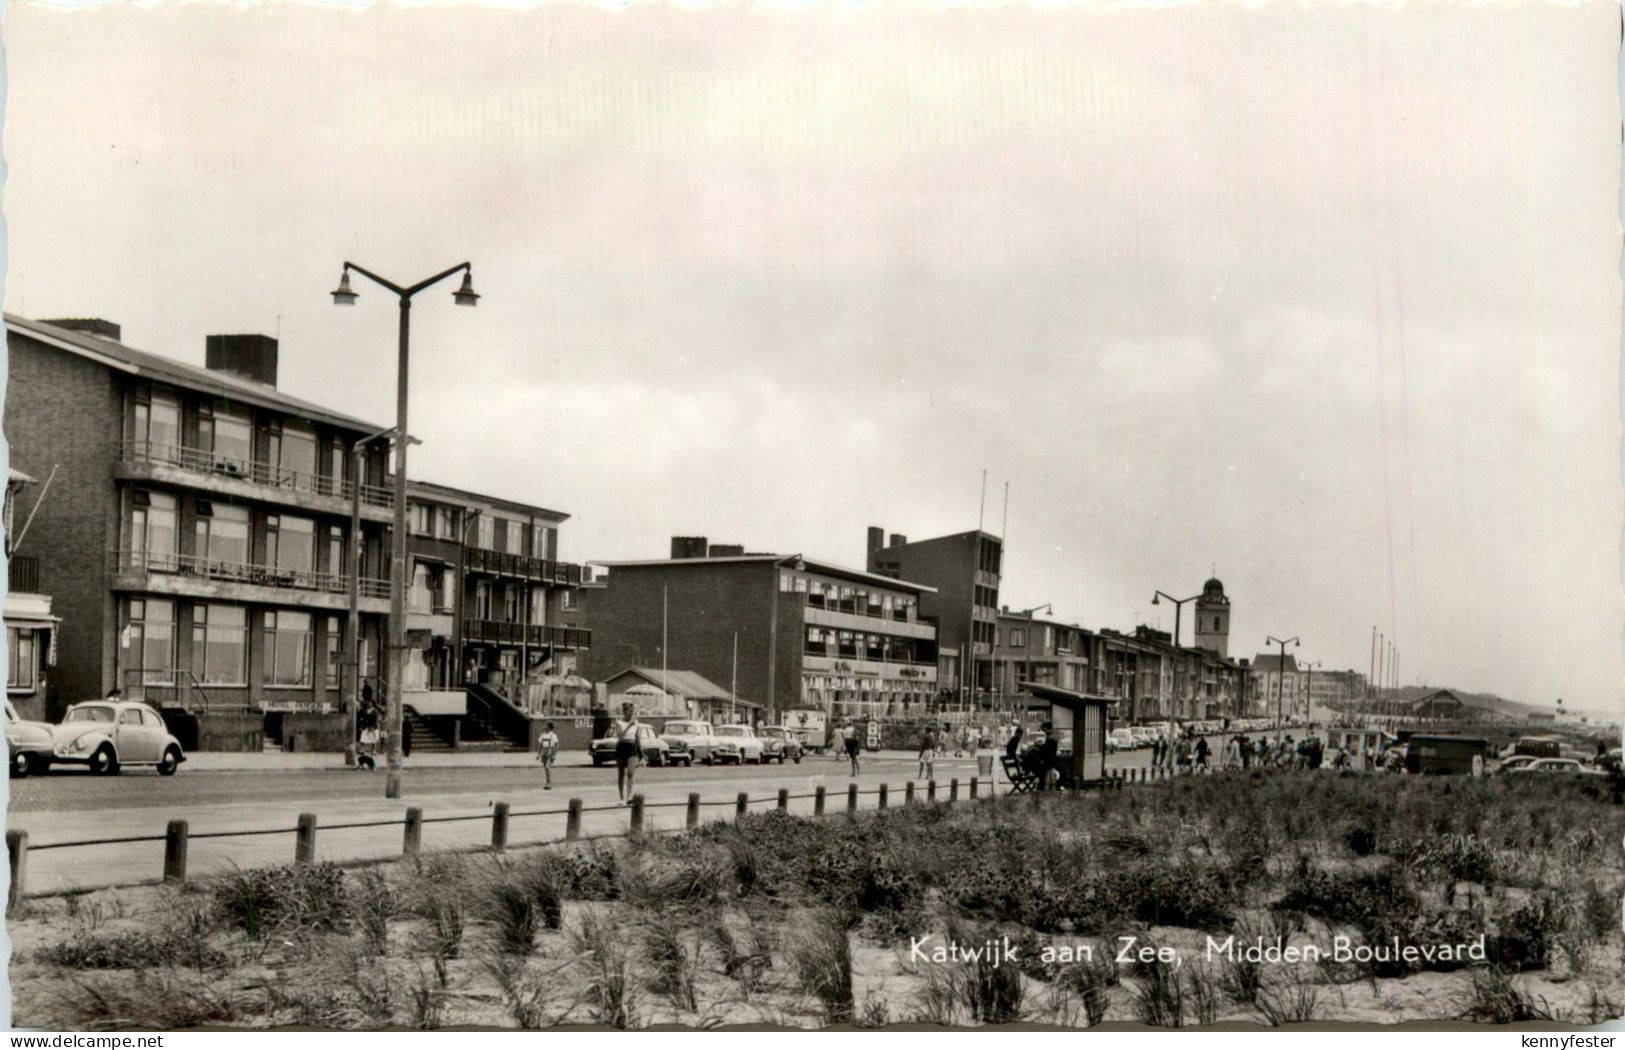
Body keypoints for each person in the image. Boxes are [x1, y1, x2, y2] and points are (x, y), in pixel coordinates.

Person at [613, 703, 643, 803]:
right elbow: (620, 736)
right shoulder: (618, 723)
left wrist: (641, 754)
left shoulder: (636, 723)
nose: (631, 714)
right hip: (622, 747)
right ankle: (621, 797)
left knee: (630, 773)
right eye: (630, 711)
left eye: (632, 711)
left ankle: (629, 796)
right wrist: (629, 726)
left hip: (632, 748)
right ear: (624, 712)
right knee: (621, 774)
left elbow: (637, 739)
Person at [536, 720, 559, 790]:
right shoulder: (542, 735)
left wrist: (554, 755)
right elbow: (540, 745)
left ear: (549, 727)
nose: (544, 726)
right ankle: (547, 782)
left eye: (545, 725)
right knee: (545, 768)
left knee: (547, 767)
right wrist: (538, 754)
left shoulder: (553, 735)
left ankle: (549, 783)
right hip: (544, 751)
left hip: (550, 751)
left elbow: (556, 746)